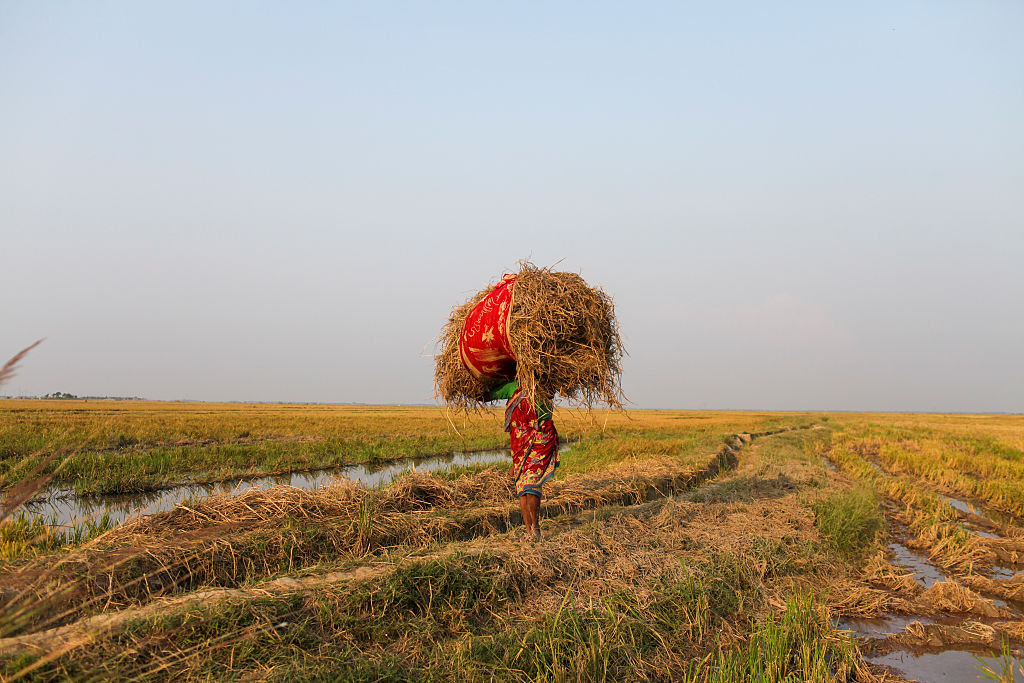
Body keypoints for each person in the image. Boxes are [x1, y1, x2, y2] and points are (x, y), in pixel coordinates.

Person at [488, 378, 559, 540]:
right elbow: (488, 395)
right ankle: (529, 531)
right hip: (520, 443)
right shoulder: (512, 387)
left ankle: (536, 528)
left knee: (532, 484)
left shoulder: (544, 385)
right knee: (522, 489)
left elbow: (553, 393)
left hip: (540, 442)